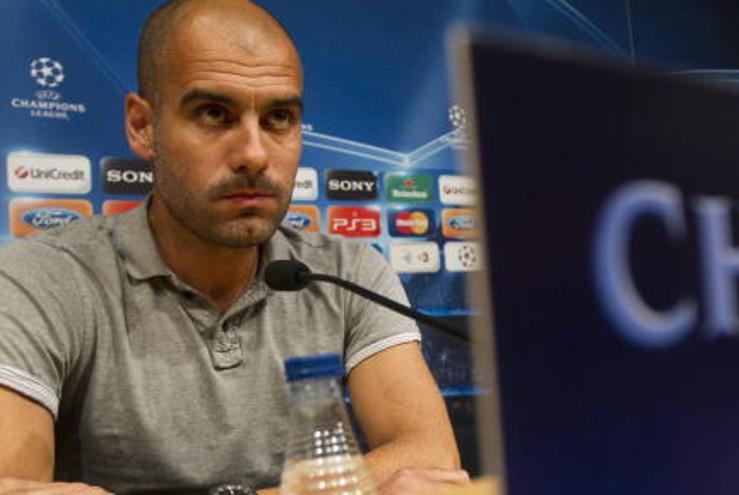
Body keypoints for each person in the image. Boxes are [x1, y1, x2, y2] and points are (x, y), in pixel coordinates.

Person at [0, 0, 470, 493]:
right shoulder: (42, 279)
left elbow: (427, 457)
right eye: (214, 113)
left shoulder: (345, 269)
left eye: (279, 117)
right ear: (143, 125)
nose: (253, 153)